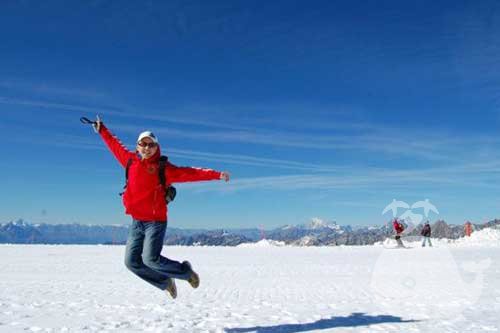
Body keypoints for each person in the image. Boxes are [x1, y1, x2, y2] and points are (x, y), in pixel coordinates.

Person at [88, 117, 230, 299]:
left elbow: (191, 173)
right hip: (137, 221)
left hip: (155, 222)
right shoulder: (130, 162)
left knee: (150, 259)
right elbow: (115, 145)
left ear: (157, 147)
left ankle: (186, 272)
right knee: (131, 262)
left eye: (151, 145)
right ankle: (164, 282)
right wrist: (102, 130)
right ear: (137, 146)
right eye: (143, 144)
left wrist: (217, 174)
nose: (147, 148)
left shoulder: (163, 169)